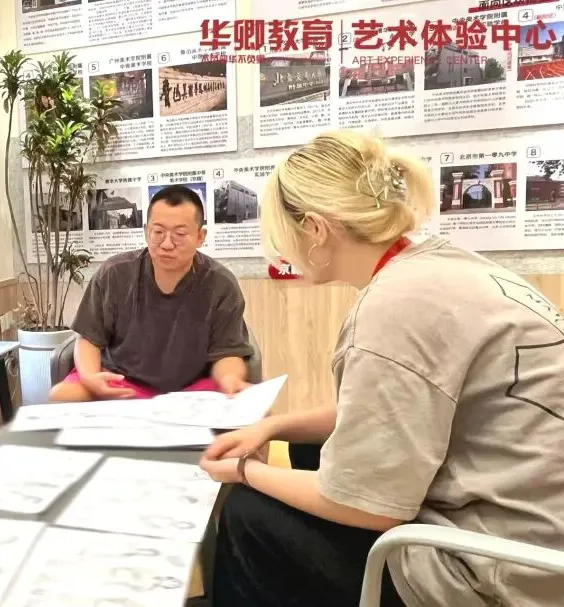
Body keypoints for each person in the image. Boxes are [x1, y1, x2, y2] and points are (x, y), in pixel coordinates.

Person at [198, 130, 564, 606]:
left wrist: (245, 472)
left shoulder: (393, 306)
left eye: (281, 234)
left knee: (251, 514)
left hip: (498, 570)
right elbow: (389, 408)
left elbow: (367, 508)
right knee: (310, 454)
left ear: (315, 229)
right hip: (538, 528)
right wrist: (273, 427)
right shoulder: (443, 265)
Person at [49, 185, 254, 402]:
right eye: (158, 232)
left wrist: (231, 379)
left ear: (200, 236)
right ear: (146, 231)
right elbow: (88, 338)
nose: (167, 244)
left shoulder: (220, 284)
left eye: (180, 234)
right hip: (122, 382)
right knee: (62, 395)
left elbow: (227, 352)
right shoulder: (115, 273)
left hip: (191, 387)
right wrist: (91, 377)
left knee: (241, 402)